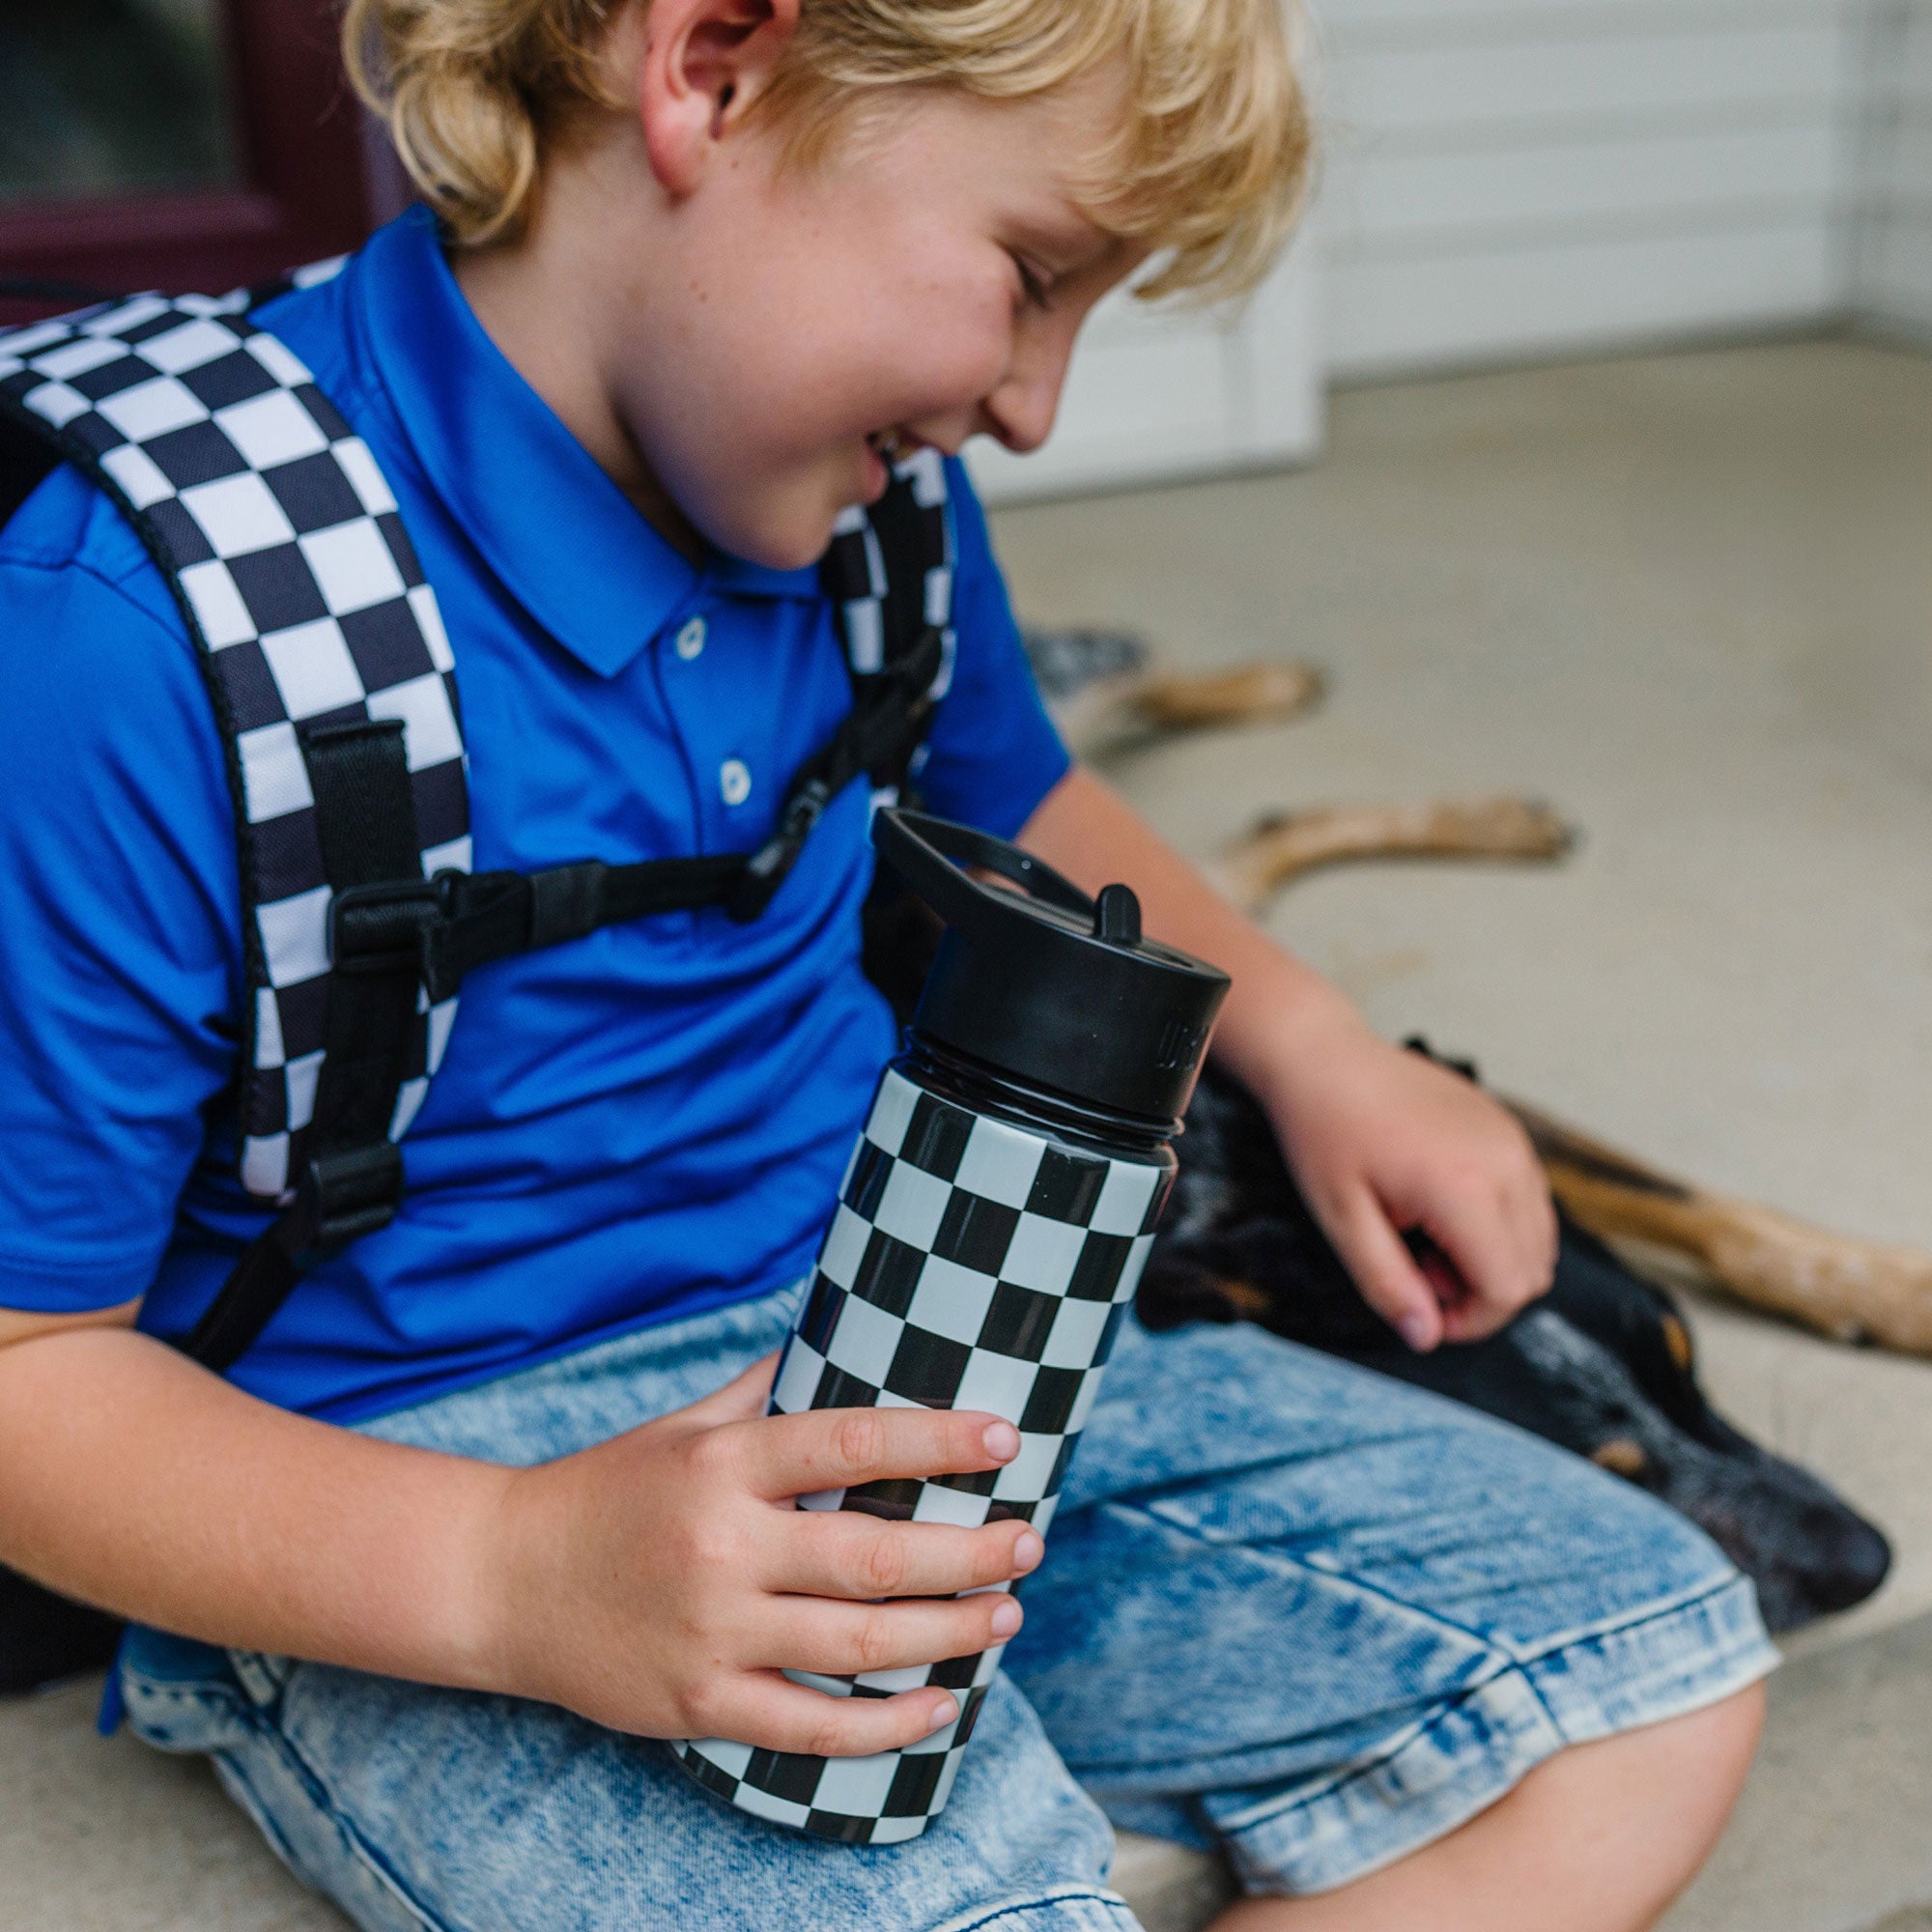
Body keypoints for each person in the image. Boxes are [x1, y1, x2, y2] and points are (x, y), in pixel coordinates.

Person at [0, 1, 1772, 1926]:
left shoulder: (869, 507)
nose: (1034, 405)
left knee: (1644, 1670)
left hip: (917, 1332)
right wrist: (511, 1572)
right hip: (426, 1483)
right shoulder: (135, 624)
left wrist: (1319, 1040)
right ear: (715, 69)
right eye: (1032, 278)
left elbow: (1025, 797)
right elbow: (29, 1370)